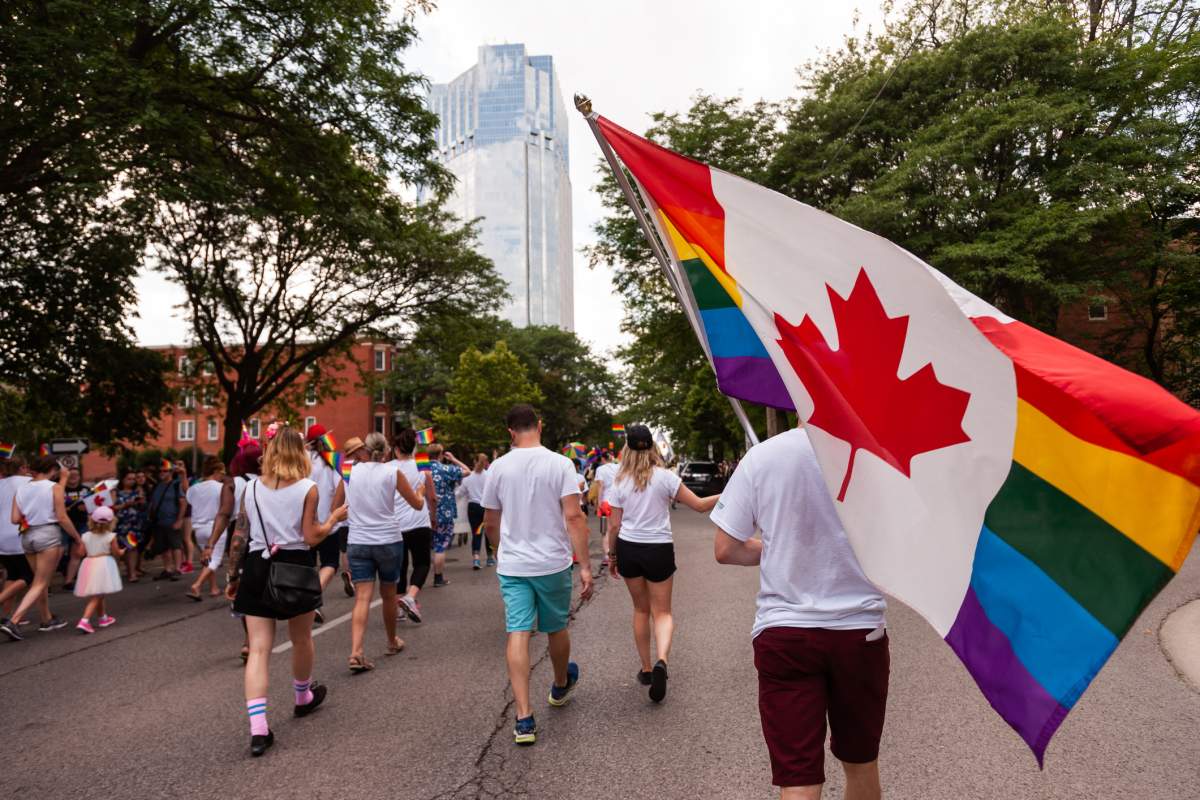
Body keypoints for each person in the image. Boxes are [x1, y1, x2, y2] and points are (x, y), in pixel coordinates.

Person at [712, 426, 888, 800]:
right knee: (861, 764)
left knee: (799, 778)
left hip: (785, 633)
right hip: (860, 632)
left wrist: (779, 547)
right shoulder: (879, 455)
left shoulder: (763, 457)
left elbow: (726, 548)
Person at [224, 426, 347, 757]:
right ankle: (302, 696)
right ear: (300, 454)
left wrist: (233, 576)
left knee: (259, 649)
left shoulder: (249, 488)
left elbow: (241, 533)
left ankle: (258, 729)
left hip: (255, 565)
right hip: (295, 566)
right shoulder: (308, 489)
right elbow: (311, 536)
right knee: (302, 638)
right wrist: (335, 517)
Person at [482, 404, 594, 746]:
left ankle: (524, 717)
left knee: (518, 632)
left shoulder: (497, 468)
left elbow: (490, 521)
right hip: (552, 562)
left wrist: (501, 550)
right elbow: (574, 517)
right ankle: (560, 683)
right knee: (555, 626)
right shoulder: (561, 464)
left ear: (510, 431)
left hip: (514, 564)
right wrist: (586, 565)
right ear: (540, 426)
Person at [606, 425, 719, 703]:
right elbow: (701, 505)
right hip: (659, 548)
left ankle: (646, 669)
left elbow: (614, 525)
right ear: (652, 448)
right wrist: (731, 492)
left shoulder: (618, 480)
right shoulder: (666, 478)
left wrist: (612, 556)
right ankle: (662, 660)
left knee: (640, 610)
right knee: (663, 612)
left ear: (627, 448)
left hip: (629, 547)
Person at [344, 433, 425, 673]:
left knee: (362, 598)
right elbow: (417, 504)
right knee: (389, 594)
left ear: (365, 450)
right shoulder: (392, 473)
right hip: (388, 539)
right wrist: (419, 489)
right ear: (386, 451)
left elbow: (337, 504)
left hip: (358, 539)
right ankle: (392, 642)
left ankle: (356, 651)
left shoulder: (348, 471)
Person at [0, 456, 84, 640]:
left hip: (27, 536)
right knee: (40, 583)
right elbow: (62, 517)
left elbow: (15, 519)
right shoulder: (54, 488)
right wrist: (77, 538)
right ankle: (13, 621)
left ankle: (46, 619)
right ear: (53, 470)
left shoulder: (22, 488)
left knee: (39, 581)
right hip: (47, 534)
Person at [391, 430, 435, 623]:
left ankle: (398, 610)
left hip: (395, 524)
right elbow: (431, 497)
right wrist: (434, 517)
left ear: (396, 448)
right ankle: (410, 597)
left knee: (400, 567)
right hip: (419, 522)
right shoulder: (422, 467)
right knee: (422, 563)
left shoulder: (388, 468)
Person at [305, 424, 346, 625]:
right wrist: (333, 512)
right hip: (328, 522)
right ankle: (313, 597)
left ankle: (313, 602)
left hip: (304, 522)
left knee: (309, 565)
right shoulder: (333, 459)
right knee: (330, 563)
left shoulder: (300, 459)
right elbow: (341, 485)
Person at [74, 506, 125, 633]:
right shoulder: (111, 536)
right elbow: (116, 553)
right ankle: (84, 621)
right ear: (111, 522)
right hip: (104, 564)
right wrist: (122, 551)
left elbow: (80, 554)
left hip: (89, 564)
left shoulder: (85, 536)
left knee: (99, 594)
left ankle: (103, 618)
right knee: (97, 596)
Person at [185, 457, 227, 600]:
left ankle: (214, 588)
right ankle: (197, 585)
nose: (223, 476)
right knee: (215, 560)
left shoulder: (194, 488)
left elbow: (189, 498)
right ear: (215, 471)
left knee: (208, 560)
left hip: (199, 529)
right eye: (222, 472)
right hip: (215, 528)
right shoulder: (221, 488)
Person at [426, 443, 467, 588]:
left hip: (424, 513)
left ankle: (416, 580)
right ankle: (438, 578)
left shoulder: (422, 469)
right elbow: (467, 471)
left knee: (424, 547)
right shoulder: (446, 469)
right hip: (444, 512)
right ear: (441, 454)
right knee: (440, 546)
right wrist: (453, 459)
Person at [0, 457, 32, 621]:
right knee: (29, 576)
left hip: (2, 536)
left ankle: (5, 617)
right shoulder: (27, 481)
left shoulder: (1, 483)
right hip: (18, 533)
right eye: (26, 467)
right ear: (22, 468)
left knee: (12, 575)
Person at [146, 460, 187, 580]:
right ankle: (168, 569)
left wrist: (179, 520)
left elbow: (183, 503)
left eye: (165, 471)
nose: (162, 473)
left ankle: (177, 569)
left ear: (171, 472)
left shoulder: (175, 485)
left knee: (175, 545)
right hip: (159, 521)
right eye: (160, 471)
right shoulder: (157, 486)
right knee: (163, 547)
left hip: (173, 520)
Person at [113, 471, 145, 582]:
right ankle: (116, 575)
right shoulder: (116, 492)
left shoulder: (138, 491)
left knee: (132, 548)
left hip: (134, 524)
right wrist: (126, 505)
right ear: (123, 480)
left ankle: (132, 574)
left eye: (133, 479)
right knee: (119, 549)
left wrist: (140, 501)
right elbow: (112, 508)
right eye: (129, 479)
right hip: (120, 524)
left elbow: (143, 506)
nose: (131, 481)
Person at [462, 453, 491, 570]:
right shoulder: (489, 476)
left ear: (474, 462)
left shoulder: (468, 477)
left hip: (473, 507)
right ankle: (490, 558)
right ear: (486, 462)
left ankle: (476, 558)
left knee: (476, 533)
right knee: (489, 533)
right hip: (486, 507)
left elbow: (460, 492)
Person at [61, 467, 89, 590]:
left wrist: (87, 507)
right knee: (57, 554)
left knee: (76, 554)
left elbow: (95, 505)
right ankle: (46, 585)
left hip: (81, 524)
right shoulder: (59, 489)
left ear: (79, 476)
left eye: (76, 475)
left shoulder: (86, 490)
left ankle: (68, 581)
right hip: (62, 525)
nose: (73, 477)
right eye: (70, 475)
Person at [593, 451, 619, 569]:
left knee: (605, 531)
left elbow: (601, 486)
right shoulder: (619, 467)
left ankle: (607, 556)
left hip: (605, 502)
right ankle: (616, 554)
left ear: (603, 459)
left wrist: (598, 502)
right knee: (617, 528)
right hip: (618, 502)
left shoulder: (600, 469)